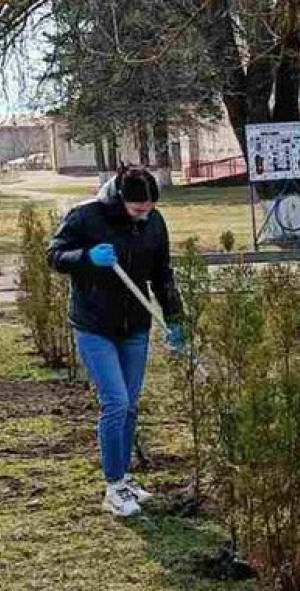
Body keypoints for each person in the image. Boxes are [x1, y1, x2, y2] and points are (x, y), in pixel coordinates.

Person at [48, 166, 185, 518]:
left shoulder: (154, 223)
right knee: (116, 402)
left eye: (150, 209)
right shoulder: (86, 217)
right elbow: (55, 256)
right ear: (120, 198)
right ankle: (112, 487)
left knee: (131, 405)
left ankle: (124, 478)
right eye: (138, 209)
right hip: (94, 326)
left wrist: (175, 318)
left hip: (135, 327)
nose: (144, 216)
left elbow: (162, 274)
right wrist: (86, 258)